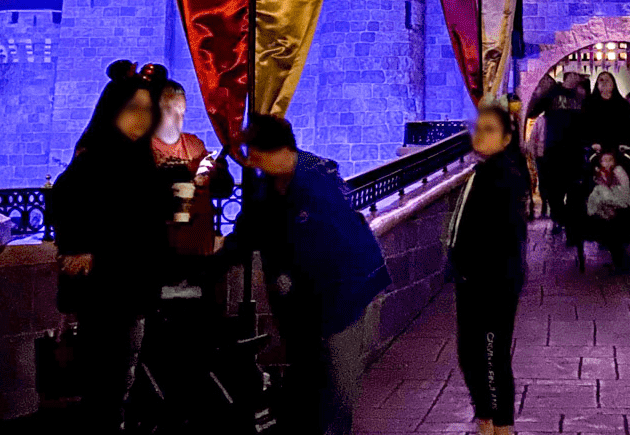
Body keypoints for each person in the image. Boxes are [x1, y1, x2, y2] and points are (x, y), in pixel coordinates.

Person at [226, 115, 390, 435]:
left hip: (346, 298)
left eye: (257, 151)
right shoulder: (266, 189)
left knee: (338, 387)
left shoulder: (318, 180)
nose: (252, 159)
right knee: (309, 384)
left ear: (282, 149)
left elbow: (343, 246)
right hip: (300, 305)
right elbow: (245, 236)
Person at [50, 60, 172, 435]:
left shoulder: (137, 162)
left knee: (120, 383)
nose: (141, 118)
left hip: (132, 290)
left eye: (148, 110)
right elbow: (64, 198)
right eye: (134, 108)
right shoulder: (100, 157)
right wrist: (78, 246)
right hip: (108, 293)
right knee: (108, 389)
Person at [449, 103, 530, 435]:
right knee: (471, 356)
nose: (479, 135)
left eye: (489, 130)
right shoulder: (485, 172)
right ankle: (486, 423)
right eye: (478, 128)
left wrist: (482, 275)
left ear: (507, 138)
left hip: (492, 287)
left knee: (491, 358)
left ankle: (501, 427)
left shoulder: (503, 177)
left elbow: (504, 237)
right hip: (474, 283)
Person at [151, 80, 221, 263]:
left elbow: (220, 184)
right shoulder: (142, 148)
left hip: (197, 245)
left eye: (181, 111)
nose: (178, 118)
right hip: (159, 246)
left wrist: (216, 171)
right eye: (170, 111)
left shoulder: (194, 144)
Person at [527, 71, 584, 231]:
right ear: (568, 76)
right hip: (554, 150)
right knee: (555, 192)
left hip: (574, 150)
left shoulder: (580, 96)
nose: (577, 78)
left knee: (573, 190)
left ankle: (570, 226)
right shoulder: (552, 93)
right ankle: (562, 219)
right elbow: (533, 111)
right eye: (575, 75)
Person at [584, 149, 630, 269]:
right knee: (606, 223)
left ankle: (620, 258)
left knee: (618, 221)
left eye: (610, 160)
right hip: (603, 205)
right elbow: (594, 191)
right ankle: (616, 256)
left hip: (621, 203)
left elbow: (625, 189)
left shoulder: (619, 172)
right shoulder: (598, 174)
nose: (607, 163)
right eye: (604, 161)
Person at [577, 71, 630, 155]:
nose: (604, 82)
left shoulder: (623, 105)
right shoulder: (588, 104)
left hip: (618, 149)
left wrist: (624, 143)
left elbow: (629, 127)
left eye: (607, 80)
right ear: (597, 84)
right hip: (595, 148)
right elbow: (583, 126)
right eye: (601, 80)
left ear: (613, 84)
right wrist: (591, 143)